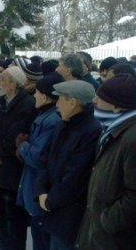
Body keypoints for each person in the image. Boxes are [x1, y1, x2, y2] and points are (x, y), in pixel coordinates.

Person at [36, 80, 102, 250]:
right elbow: (45, 159)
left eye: (60, 100)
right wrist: (42, 191)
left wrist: (51, 200)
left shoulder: (91, 131)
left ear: (72, 102)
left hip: (69, 212)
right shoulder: (63, 124)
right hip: (51, 204)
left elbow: (76, 176)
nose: (56, 104)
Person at [76, 74, 136, 250]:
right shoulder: (114, 130)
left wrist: (106, 221)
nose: (94, 101)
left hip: (113, 236)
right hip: (100, 231)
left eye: (100, 98)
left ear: (117, 106)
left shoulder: (131, 138)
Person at [0, 66, 36, 250]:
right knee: (1, 209)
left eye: (3, 80)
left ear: (14, 85)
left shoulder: (26, 105)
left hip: (13, 167)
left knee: (13, 215)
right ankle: (4, 243)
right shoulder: (6, 100)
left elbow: (14, 138)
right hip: (0, 162)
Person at [16, 73, 64, 250]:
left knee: (41, 238)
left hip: (40, 189)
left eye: (36, 92)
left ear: (44, 96)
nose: (34, 95)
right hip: (35, 186)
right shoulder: (44, 115)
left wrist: (23, 145)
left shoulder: (51, 120)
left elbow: (38, 157)